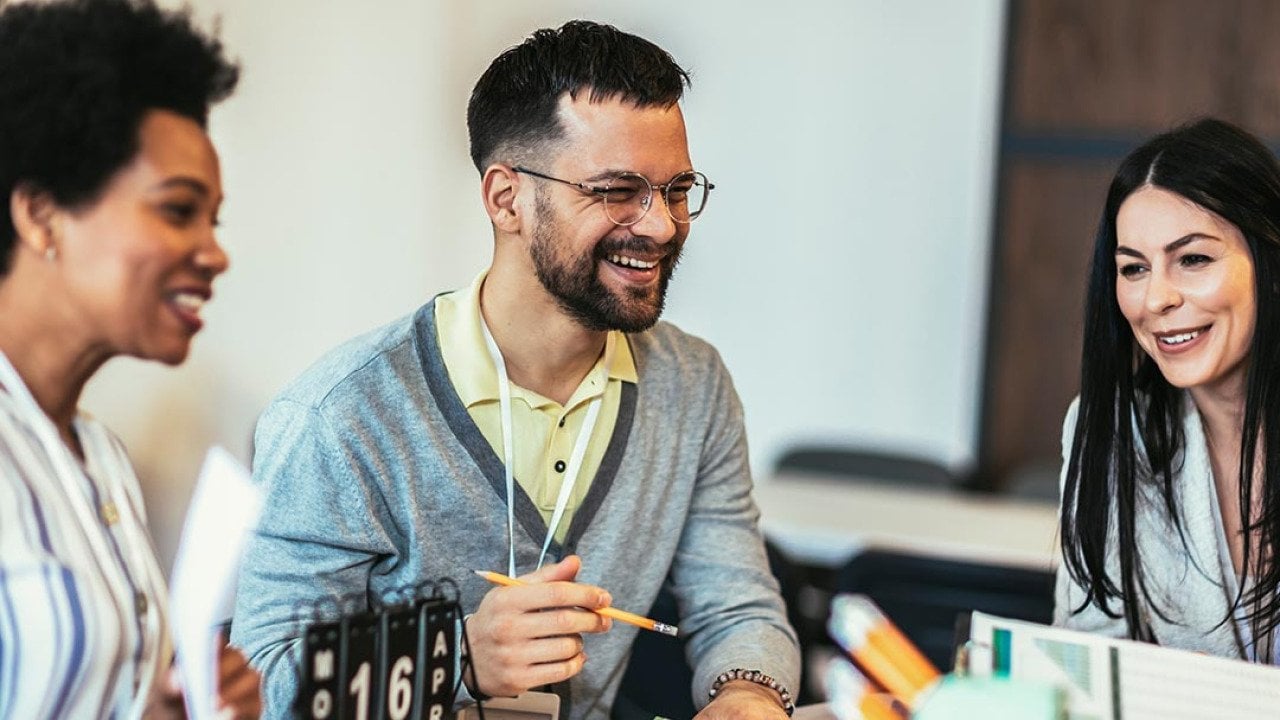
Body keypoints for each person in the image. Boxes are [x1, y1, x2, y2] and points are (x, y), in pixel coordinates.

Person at [232, 19, 800, 719]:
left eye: (677, 188)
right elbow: (264, 684)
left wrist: (748, 693)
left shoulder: (693, 385)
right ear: (507, 199)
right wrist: (457, 654)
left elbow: (738, 605)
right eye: (617, 191)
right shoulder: (341, 417)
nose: (659, 225)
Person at [0, 0, 262, 716]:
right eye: (178, 210)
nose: (215, 254)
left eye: (215, 220)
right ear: (41, 215)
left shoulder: (101, 460)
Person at [1056, 117, 1280, 663]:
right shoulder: (1113, 428)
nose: (1155, 299)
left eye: (1193, 259)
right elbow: (1086, 655)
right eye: (1133, 269)